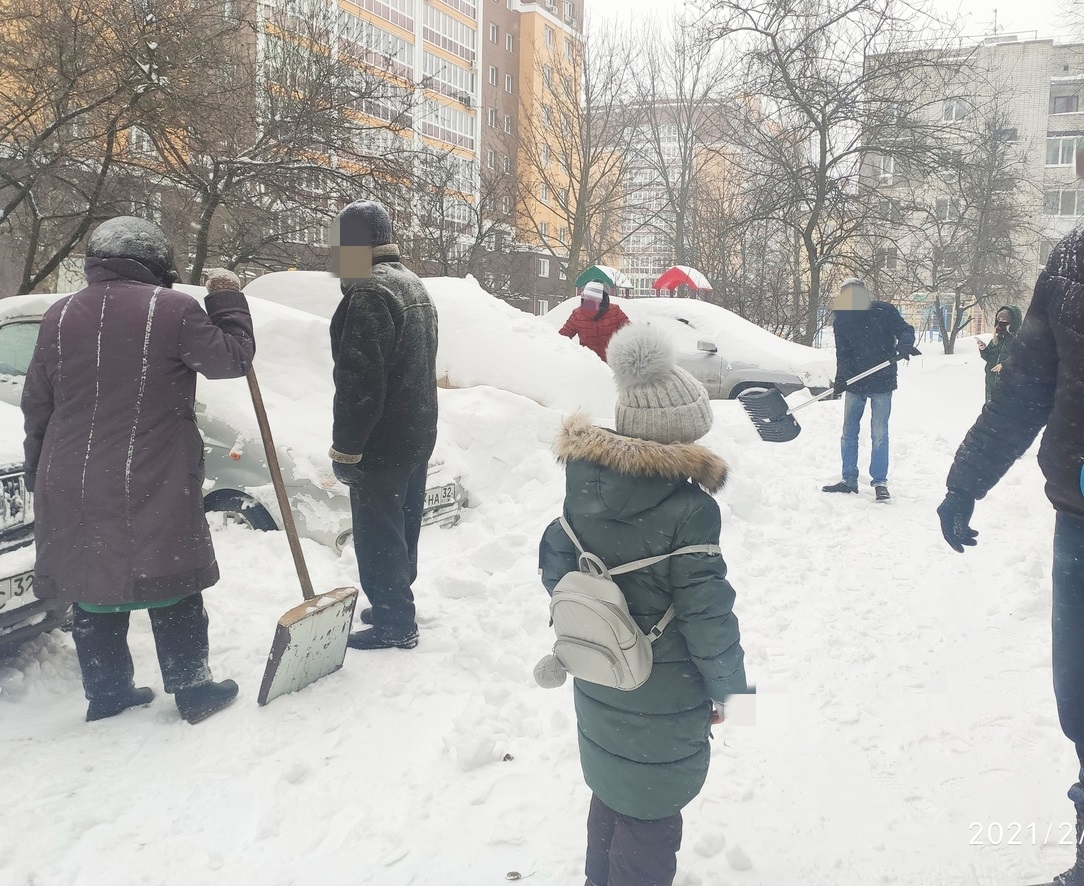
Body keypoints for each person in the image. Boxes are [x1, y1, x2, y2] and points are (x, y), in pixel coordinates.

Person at [20, 217, 254, 724]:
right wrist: (229, 300)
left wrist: (39, 468)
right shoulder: (172, 310)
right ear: (158, 264)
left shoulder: (59, 314)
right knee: (169, 574)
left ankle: (108, 694)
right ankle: (192, 690)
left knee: (93, 581)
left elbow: (38, 403)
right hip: (149, 470)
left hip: (71, 474)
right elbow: (231, 360)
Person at [538, 323, 746, 886]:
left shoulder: (585, 489)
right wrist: (729, 688)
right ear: (676, 440)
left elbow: (555, 571)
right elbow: (709, 617)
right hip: (664, 688)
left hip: (600, 674)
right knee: (651, 816)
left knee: (611, 793)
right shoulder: (690, 511)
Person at [937, 223, 1084, 886]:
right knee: (1080, 702)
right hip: (1081, 522)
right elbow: (1025, 387)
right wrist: (966, 480)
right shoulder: (1073, 261)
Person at [327, 200, 438, 651]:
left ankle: (395, 620)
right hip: (416, 432)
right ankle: (396, 599)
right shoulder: (412, 284)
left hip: (383, 439)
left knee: (378, 531)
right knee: (402, 524)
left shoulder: (371, 293)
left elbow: (359, 383)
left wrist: (346, 450)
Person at [822, 277, 918, 502]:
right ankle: (849, 479)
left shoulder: (884, 311)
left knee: (879, 433)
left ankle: (880, 482)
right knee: (848, 432)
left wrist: (905, 344)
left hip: (882, 381)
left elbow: (905, 329)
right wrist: (840, 378)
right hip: (856, 382)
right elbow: (843, 354)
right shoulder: (842, 322)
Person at [558, 280, 630, 361]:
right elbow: (562, 337)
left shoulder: (614, 311)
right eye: (585, 299)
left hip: (612, 364)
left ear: (599, 300)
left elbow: (630, 332)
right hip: (590, 366)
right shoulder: (577, 315)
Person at [977, 304, 1022, 402]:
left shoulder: (1019, 340)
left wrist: (1004, 365)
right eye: (999, 321)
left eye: (1004, 322)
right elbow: (989, 358)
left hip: (1008, 384)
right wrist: (984, 349)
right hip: (991, 382)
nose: (1001, 324)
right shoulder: (998, 338)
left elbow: (1021, 359)